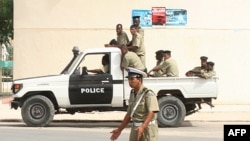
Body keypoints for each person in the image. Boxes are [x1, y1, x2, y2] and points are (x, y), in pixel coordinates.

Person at [110, 67, 159, 141]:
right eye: (129, 79)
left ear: (139, 79)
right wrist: (119, 130)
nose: (129, 81)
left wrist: (143, 126)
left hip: (148, 128)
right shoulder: (132, 93)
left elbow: (151, 111)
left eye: (132, 79)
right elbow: (130, 113)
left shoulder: (148, 93)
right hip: (136, 127)